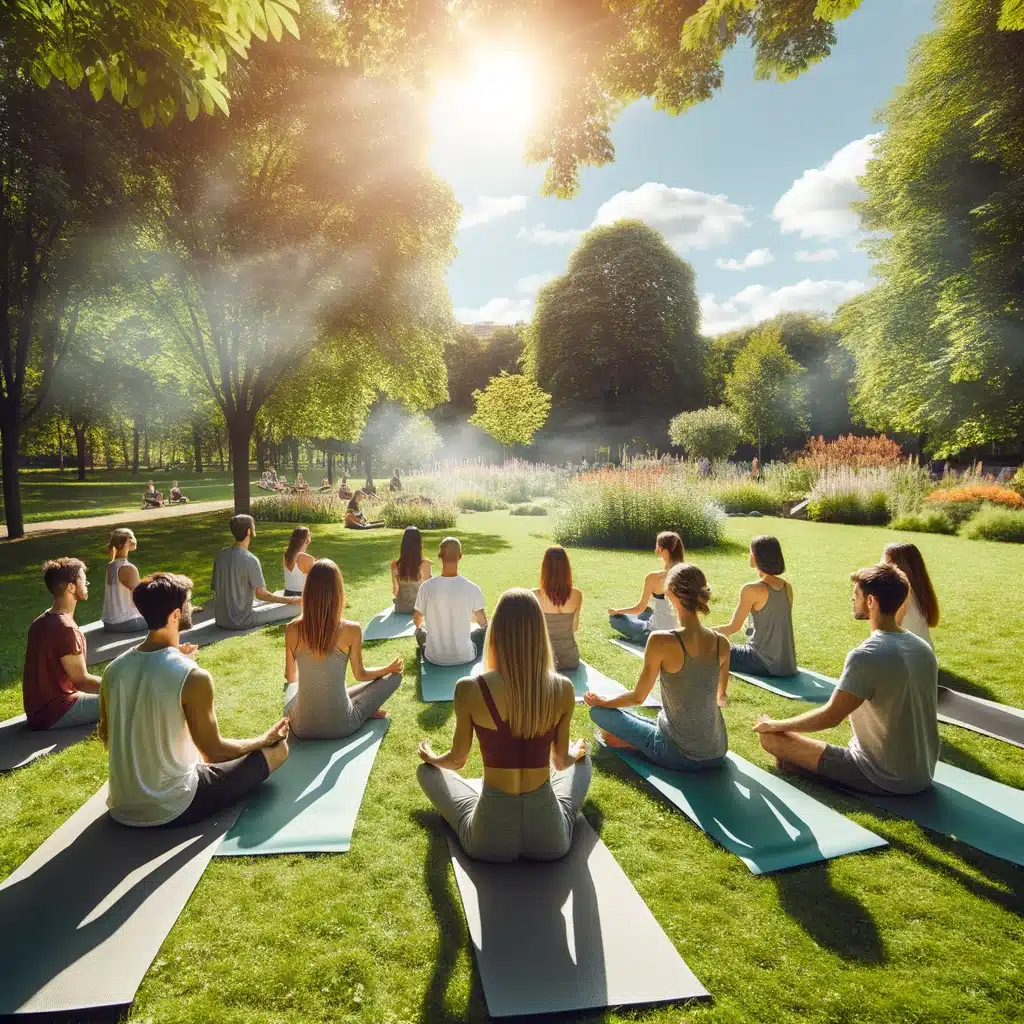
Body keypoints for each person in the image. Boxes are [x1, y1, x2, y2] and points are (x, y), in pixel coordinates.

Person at [99, 572, 289, 827]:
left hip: (122, 805)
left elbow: (106, 735)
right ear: (175, 615)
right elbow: (214, 753)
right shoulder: (193, 677)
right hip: (172, 806)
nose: (192, 608)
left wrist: (181, 663)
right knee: (277, 750)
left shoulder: (113, 669)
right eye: (188, 604)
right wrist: (263, 739)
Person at [417, 589, 591, 862]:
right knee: (584, 759)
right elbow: (560, 761)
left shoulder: (469, 689)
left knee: (426, 772)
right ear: (539, 634)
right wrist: (578, 751)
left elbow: (457, 760)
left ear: (496, 632)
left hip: (489, 838)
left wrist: (432, 758)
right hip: (550, 839)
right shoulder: (563, 689)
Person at [753, 563, 939, 796]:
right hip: (923, 772)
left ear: (871, 602)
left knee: (770, 740)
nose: (852, 600)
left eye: (856, 595)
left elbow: (830, 717)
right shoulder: (922, 648)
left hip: (885, 776)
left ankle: (811, 770)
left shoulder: (866, 655)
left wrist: (776, 725)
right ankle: (803, 767)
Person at [585, 563, 729, 768]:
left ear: (670, 593)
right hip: (717, 751)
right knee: (646, 721)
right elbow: (721, 698)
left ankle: (643, 744)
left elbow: (638, 697)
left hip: (680, 754)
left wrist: (602, 701)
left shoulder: (661, 641)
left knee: (598, 714)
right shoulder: (721, 642)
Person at [283, 561, 403, 739]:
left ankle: (336, 702)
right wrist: (387, 670)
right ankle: (365, 711)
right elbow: (360, 675)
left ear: (308, 592)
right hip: (343, 724)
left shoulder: (292, 629)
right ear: (338, 592)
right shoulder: (352, 629)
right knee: (395, 677)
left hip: (300, 728)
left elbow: (290, 677)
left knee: (301, 692)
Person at [23, 558, 102, 731]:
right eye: (83, 580)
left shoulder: (39, 621)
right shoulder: (66, 629)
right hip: (59, 711)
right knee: (129, 699)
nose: (87, 584)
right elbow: (82, 681)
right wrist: (120, 685)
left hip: (37, 711)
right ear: (71, 587)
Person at [713, 535, 797, 677]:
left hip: (760, 661)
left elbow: (732, 627)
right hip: (787, 664)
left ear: (758, 556)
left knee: (710, 649)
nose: (749, 555)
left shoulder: (751, 589)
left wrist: (699, 633)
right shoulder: (787, 587)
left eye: (750, 552)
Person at [212, 514, 301, 630]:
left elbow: (214, 587)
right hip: (242, 621)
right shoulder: (250, 560)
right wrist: (291, 600)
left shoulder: (220, 555)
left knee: (277, 597)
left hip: (221, 619)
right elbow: (261, 594)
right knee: (300, 607)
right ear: (249, 531)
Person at [414, 537, 487, 665]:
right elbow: (482, 622)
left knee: (419, 633)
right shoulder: (473, 588)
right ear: (460, 556)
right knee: (483, 633)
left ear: (439, 556)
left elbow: (417, 621)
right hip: (465, 656)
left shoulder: (425, 587)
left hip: (434, 657)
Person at [607, 532, 685, 644]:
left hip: (656, 635)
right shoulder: (691, 573)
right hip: (683, 632)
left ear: (661, 549)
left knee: (616, 618)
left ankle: (640, 634)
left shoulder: (654, 577)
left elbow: (639, 608)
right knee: (646, 613)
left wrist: (617, 611)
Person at [533, 545, 583, 671]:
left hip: (542, 662)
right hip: (570, 659)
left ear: (544, 568)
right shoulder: (577, 595)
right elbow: (574, 628)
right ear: (567, 568)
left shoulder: (533, 595)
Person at [882, 542, 939, 648]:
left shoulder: (900, 590)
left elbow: (889, 630)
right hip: (925, 653)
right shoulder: (921, 588)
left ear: (898, 565)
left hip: (908, 655)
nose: (881, 566)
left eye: (885, 562)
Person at [102, 528, 148, 633]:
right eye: (131, 537)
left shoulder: (111, 565)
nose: (134, 539)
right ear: (121, 544)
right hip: (126, 622)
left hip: (109, 623)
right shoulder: (127, 567)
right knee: (166, 614)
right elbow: (142, 596)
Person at [392, 526, 432, 613]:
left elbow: (395, 591)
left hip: (400, 608)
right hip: (419, 610)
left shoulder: (395, 565)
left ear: (403, 545)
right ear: (419, 544)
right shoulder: (426, 564)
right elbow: (428, 592)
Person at [282, 526, 316, 596]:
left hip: (287, 596)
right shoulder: (308, 558)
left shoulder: (286, 556)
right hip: (303, 598)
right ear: (307, 541)